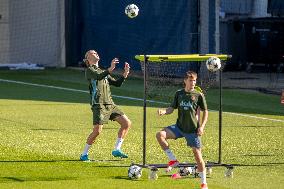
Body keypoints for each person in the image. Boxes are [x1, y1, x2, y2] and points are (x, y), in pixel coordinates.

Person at [156, 71, 209, 189]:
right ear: (185, 81)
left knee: (198, 156)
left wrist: (202, 126)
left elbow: (205, 111)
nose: (193, 83)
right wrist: (164, 111)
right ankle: (173, 160)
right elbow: (171, 108)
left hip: (192, 130)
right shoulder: (179, 93)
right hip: (179, 127)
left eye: (194, 80)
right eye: (191, 80)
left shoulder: (199, 95)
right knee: (160, 135)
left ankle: (204, 183)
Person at [80, 50, 131, 161]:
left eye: (97, 52)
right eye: (92, 53)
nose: (96, 53)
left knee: (126, 123)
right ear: (87, 58)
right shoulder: (90, 70)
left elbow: (117, 83)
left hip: (110, 104)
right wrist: (110, 69)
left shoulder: (103, 72)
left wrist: (125, 74)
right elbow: (98, 76)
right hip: (99, 105)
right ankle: (84, 154)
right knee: (97, 131)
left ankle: (117, 149)